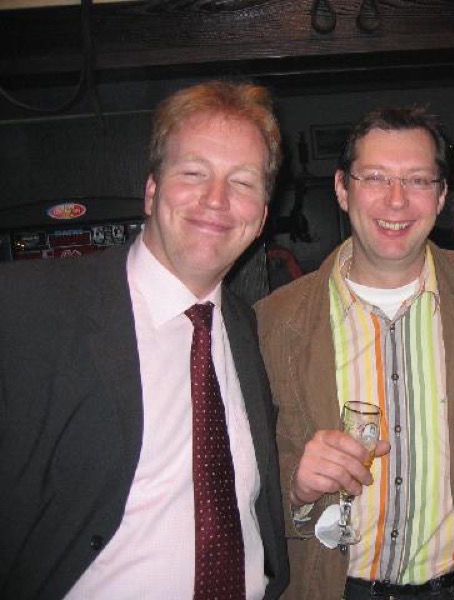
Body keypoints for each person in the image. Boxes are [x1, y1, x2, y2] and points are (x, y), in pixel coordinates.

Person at [0, 80, 289, 600]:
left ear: (262, 216)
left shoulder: (247, 328)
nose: (216, 199)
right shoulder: (25, 307)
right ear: (153, 191)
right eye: (193, 173)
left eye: (243, 182)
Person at [255, 107, 454, 600]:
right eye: (375, 178)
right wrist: (295, 487)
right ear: (342, 188)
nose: (396, 200)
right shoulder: (270, 324)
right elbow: (234, 484)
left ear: (441, 195)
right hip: (330, 587)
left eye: (417, 180)